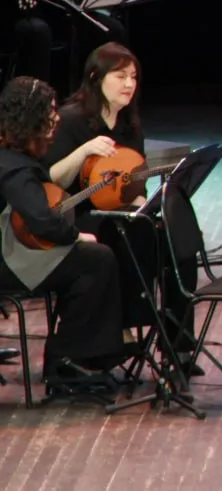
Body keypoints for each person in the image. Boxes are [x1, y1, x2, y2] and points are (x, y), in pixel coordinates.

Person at [42, 43, 203, 374]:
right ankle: (124, 329)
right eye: (120, 76)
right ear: (95, 78)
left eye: (133, 77)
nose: (129, 84)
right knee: (134, 236)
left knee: (176, 239)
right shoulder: (70, 121)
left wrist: (143, 203)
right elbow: (49, 179)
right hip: (77, 217)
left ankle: (179, 346)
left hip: (118, 214)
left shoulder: (130, 125)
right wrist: (83, 152)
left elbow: (134, 182)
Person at [0, 76, 131, 389]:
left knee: (88, 260)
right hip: (6, 261)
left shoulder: (14, 157)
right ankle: (67, 360)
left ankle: (73, 354)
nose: (56, 117)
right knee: (96, 260)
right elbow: (42, 220)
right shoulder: (14, 168)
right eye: (50, 110)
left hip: (10, 249)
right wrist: (73, 236)